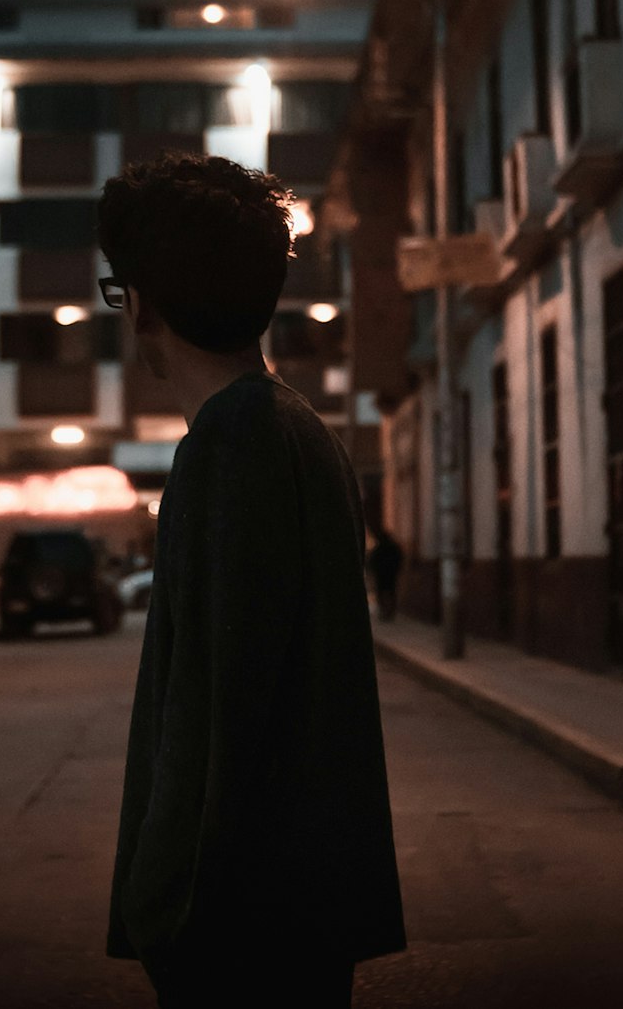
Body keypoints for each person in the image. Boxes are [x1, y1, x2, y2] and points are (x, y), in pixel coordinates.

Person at [98, 153, 405, 1008]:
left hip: (236, 925)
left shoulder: (227, 450)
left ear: (143, 306)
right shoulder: (296, 429)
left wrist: (161, 899)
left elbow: (212, 706)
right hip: (294, 904)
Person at [367, 525, 403, 623]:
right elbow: (399, 558)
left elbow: (373, 561)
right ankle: (389, 612)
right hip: (389, 573)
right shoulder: (392, 547)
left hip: (383, 574)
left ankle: (385, 612)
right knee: (390, 592)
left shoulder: (380, 548)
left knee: (383, 593)